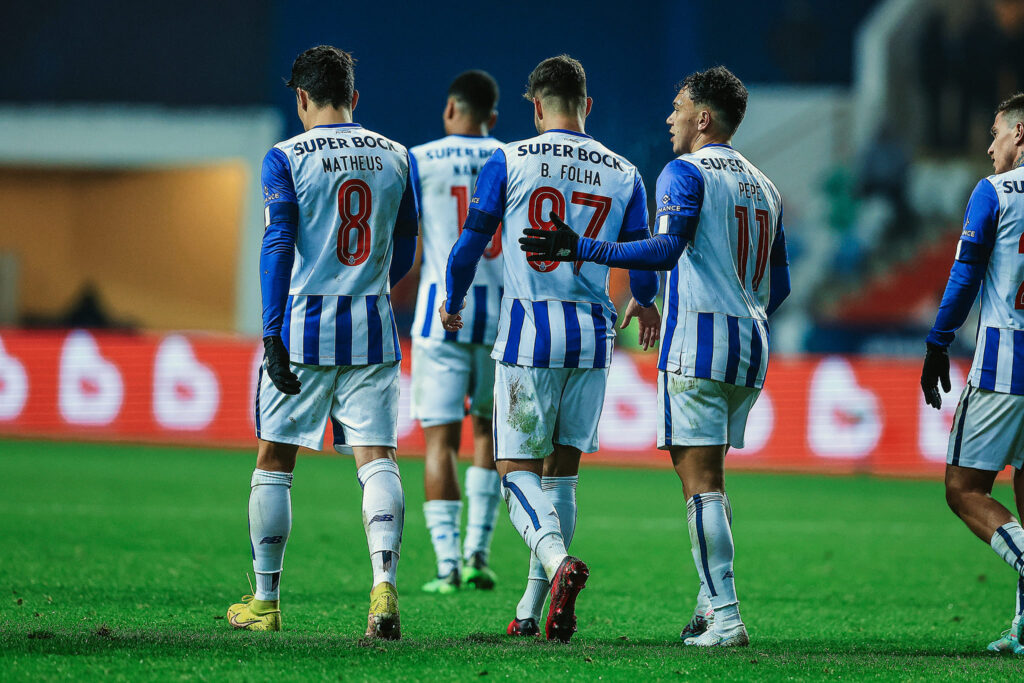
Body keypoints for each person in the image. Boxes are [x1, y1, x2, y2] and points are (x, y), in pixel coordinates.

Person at [521, 66, 791, 648]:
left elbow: (665, 249)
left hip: (699, 342)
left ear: (703, 117)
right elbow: (782, 283)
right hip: (751, 342)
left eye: (678, 108)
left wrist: (582, 246)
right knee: (712, 478)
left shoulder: (684, 173)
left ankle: (725, 615)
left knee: (700, 483)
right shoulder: (764, 186)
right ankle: (705, 605)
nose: (669, 118)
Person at [441, 55, 660, 642]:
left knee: (514, 470)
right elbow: (640, 259)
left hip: (528, 335)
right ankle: (531, 611)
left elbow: (470, 245)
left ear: (536, 108)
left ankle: (556, 561)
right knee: (562, 476)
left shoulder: (507, 158)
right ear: (586, 106)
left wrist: (453, 299)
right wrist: (646, 300)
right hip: (593, 336)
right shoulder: (624, 172)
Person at [226, 45, 418, 640]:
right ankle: (383, 586)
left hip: (305, 329)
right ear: (354, 98)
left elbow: (278, 242)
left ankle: (266, 600)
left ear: (302, 98)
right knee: (377, 460)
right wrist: (371, 287)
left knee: (275, 460)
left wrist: (272, 330)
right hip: (372, 330)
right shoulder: (396, 156)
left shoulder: (284, 158)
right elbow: (407, 245)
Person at [921, 92, 1024, 655]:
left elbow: (964, 275)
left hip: (1005, 364)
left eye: (996, 133)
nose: (989, 147)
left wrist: (938, 342)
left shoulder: (997, 193)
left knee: (964, 490)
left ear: (1022, 134)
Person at [408, 70, 504, 594]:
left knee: (439, 441)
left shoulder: (420, 159)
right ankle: (477, 555)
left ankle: (445, 565)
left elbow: (407, 239)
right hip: (500, 320)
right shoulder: (511, 157)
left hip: (437, 315)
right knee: (489, 434)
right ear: (493, 117)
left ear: (450, 109)